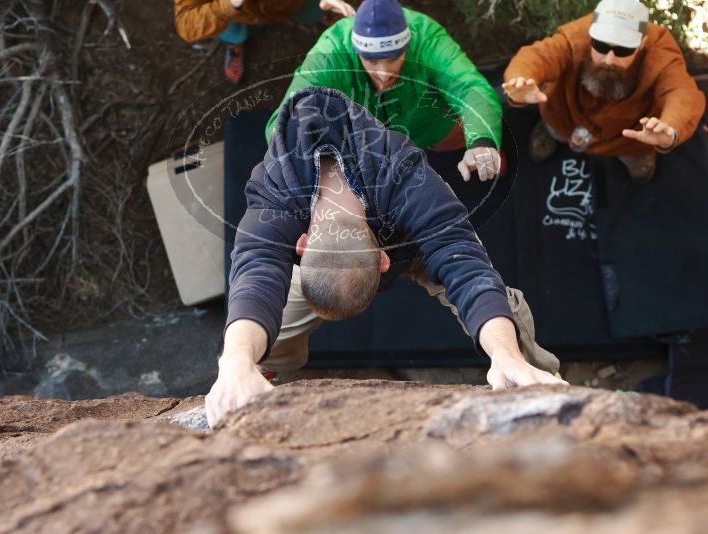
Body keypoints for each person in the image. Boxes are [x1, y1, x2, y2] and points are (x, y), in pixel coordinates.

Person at [206, 86, 566, 427]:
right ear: (300, 246)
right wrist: (236, 361)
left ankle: (530, 373)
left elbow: (465, 264)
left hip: (414, 245)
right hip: (331, 257)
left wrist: (505, 354)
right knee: (266, 330)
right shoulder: (278, 189)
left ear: (383, 260)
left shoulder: (404, 173)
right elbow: (257, 271)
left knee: (503, 311)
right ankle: (253, 373)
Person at [264, 0, 503, 183]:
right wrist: (319, 164)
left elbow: (470, 88)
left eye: (394, 58)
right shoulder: (331, 51)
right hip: (368, 146)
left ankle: (490, 152)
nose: (384, 73)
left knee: (461, 138)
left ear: (408, 45)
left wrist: (482, 140)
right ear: (355, 50)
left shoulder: (427, 36)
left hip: (432, 127)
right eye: (371, 61)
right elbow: (288, 117)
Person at [502, 0, 705, 182]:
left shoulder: (660, 51)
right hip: (566, 116)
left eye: (623, 50)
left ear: (642, 44)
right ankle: (552, 132)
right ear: (591, 35)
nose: (609, 60)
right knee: (555, 128)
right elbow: (538, 56)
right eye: (600, 45)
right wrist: (519, 80)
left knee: (637, 150)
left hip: (628, 136)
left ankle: (637, 157)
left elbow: (681, 92)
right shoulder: (575, 36)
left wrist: (670, 127)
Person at [174, 0, 355, 84]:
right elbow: (186, 25)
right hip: (240, 16)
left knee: (314, 10)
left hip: (290, 3)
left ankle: (324, 13)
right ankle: (235, 43)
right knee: (227, 28)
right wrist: (227, 5)